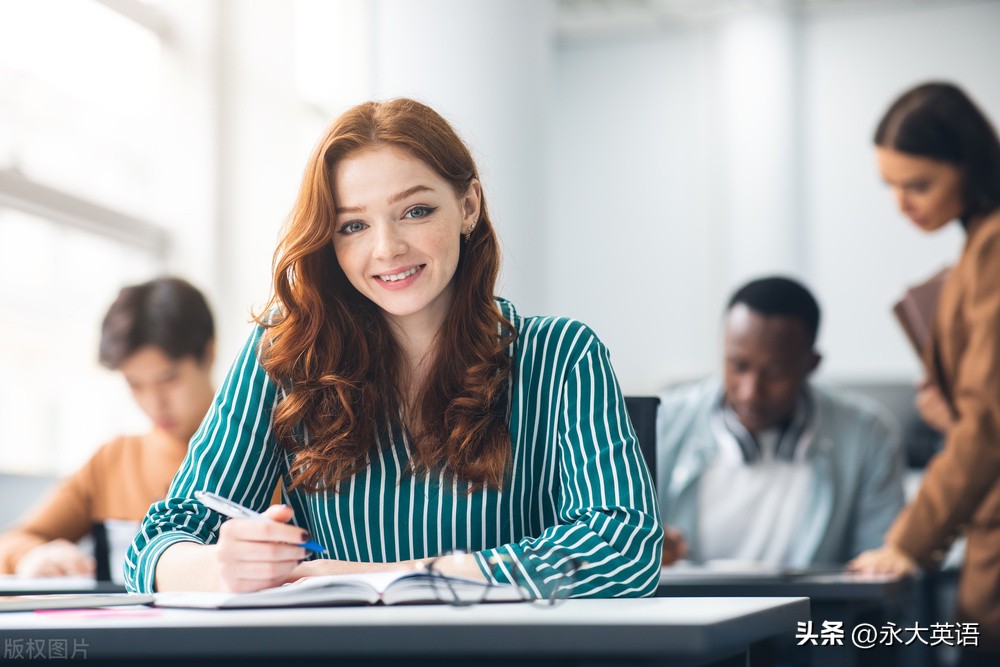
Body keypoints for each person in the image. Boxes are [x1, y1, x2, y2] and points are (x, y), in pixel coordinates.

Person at [124, 98, 663, 598]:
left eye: (415, 211)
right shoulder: (286, 352)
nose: (386, 249)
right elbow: (155, 546)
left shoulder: (562, 355)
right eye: (353, 225)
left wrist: (394, 579)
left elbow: (624, 551)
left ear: (468, 206)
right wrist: (219, 566)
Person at [848, 81, 1000, 660]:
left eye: (919, 185)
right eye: (891, 186)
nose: (902, 204)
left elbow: (988, 422)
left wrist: (908, 543)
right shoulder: (977, 248)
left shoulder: (992, 249)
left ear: (968, 165)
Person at [657, 276, 906, 567]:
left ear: (811, 365)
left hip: (813, 613)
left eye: (774, 373)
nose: (750, 392)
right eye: (738, 366)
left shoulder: (867, 436)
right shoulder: (661, 424)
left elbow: (881, 573)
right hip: (682, 612)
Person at [0, 277, 216, 578]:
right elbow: (13, 541)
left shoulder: (270, 454)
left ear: (209, 354)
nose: (155, 403)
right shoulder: (112, 461)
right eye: (135, 384)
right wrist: (31, 556)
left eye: (169, 380)